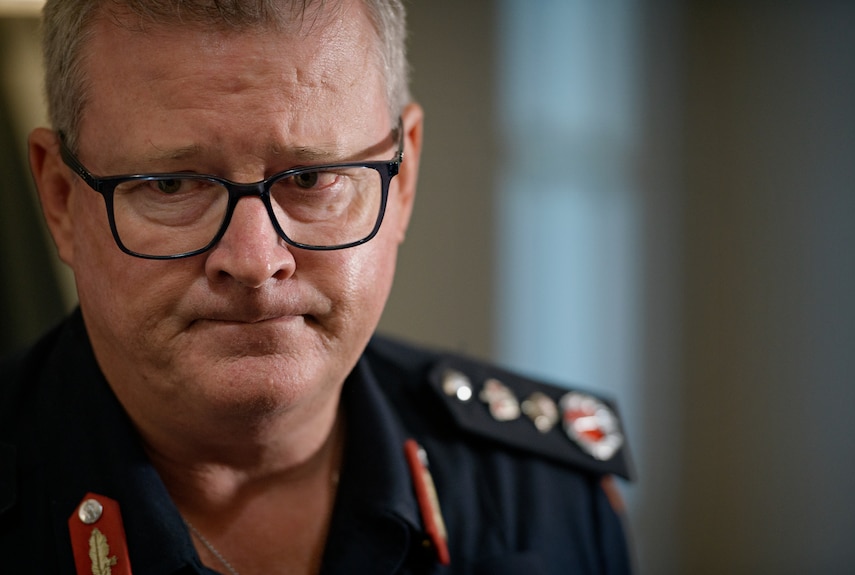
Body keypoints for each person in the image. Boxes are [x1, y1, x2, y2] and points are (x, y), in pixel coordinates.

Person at [0, 0, 634, 573]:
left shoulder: (546, 497)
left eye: (311, 179)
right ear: (60, 200)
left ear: (403, 179)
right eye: (172, 185)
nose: (252, 261)